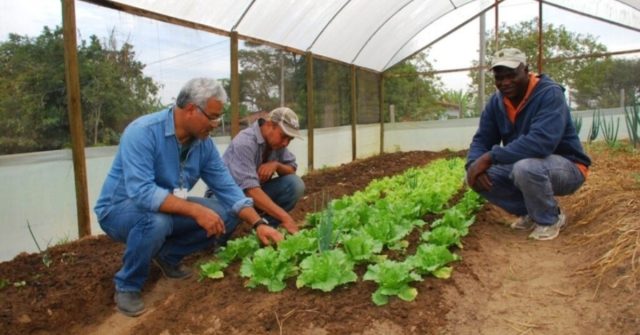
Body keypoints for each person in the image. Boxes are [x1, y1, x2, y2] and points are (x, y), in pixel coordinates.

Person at [94, 78, 284, 317]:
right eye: (213, 117)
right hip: (120, 209)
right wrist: (196, 211)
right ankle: (127, 285)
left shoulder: (203, 144)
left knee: (228, 212)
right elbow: (142, 193)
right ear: (192, 109)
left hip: (169, 205)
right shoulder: (142, 132)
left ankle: (168, 256)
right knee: (156, 221)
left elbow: (227, 187)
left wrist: (258, 224)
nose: (216, 124)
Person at [465, 48, 591, 241]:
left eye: (511, 75)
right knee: (476, 175)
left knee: (526, 168)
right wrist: (473, 165)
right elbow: (482, 139)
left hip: (567, 167)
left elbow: (541, 143)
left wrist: (490, 157)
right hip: (524, 165)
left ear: (526, 70)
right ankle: (533, 212)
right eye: (499, 78)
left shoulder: (549, 94)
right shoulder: (497, 102)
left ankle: (550, 219)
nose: (505, 82)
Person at [208, 107, 305, 233]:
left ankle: (267, 231)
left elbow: (292, 169)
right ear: (270, 125)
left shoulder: (277, 143)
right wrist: (285, 218)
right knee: (226, 218)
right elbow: (250, 191)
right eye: (284, 136)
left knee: (294, 184)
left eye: (290, 139)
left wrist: (276, 165)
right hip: (224, 198)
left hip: (251, 195)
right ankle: (219, 242)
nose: (286, 143)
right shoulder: (245, 142)